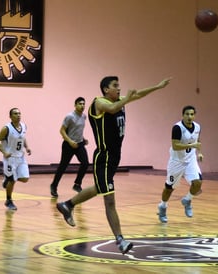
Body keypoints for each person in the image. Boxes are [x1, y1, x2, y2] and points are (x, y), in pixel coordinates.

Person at [56, 75, 171, 255]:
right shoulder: (98, 103)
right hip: (103, 157)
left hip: (114, 158)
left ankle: (67, 205)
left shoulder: (119, 100)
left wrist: (157, 86)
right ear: (105, 89)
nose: (119, 88)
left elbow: (137, 95)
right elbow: (112, 108)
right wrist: (127, 98)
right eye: (115, 86)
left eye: (119, 86)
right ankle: (120, 240)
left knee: (99, 188)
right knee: (109, 199)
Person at [157, 105, 203, 223]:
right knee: (169, 188)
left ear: (194, 115)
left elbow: (197, 141)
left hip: (190, 159)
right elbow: (175, 146)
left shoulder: (197, 127)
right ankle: (163, 207)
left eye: (192, 114)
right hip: (176, 161)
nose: (189, 117)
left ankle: (187, 200)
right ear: (183, 115)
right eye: (187, 114)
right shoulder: (177, 128)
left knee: (198, 182)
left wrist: (199, 153)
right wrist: (191, 146)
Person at [0, 108, 32, 210]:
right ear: (10, 116)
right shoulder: (6, 128)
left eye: (19, 113)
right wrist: (4, 152)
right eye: (15, 114)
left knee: (25, 179)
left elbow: (22, 138)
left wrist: (27, 147)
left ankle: (8, 179)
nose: (18, 115)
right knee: (12, 180)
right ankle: (8, 200)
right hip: (10, 158)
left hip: (21, 157)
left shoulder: (24, 126)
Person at [50, 97, 89, 197]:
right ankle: (54, 186)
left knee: (85, 163)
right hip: (68, 144)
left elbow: (77, 130)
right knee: (63, 166)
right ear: (75, 105)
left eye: (83, 104)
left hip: (79, 144)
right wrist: (70, 141)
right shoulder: (70, 116)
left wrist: (83, 139)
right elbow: (62, 131)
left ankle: (77, 184)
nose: (82, 106)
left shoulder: (84, 116)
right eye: (80, 104)